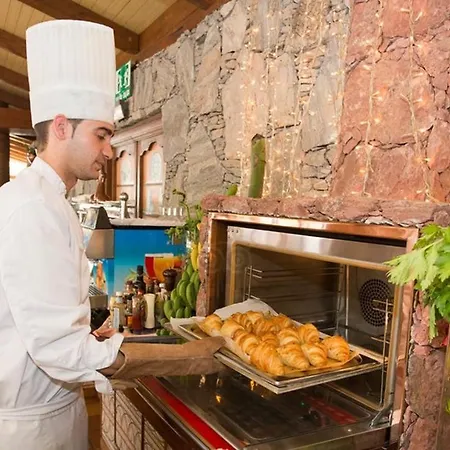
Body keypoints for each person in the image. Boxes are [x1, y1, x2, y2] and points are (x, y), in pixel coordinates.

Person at [0, 20, 223, 450]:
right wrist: (180, 357)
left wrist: (89, 336)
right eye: (101, 135)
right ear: (61, 127)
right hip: (31, 430)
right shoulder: (32, 210)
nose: (108, 150)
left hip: (54, 413)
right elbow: (58, 350)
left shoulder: (50, 200)